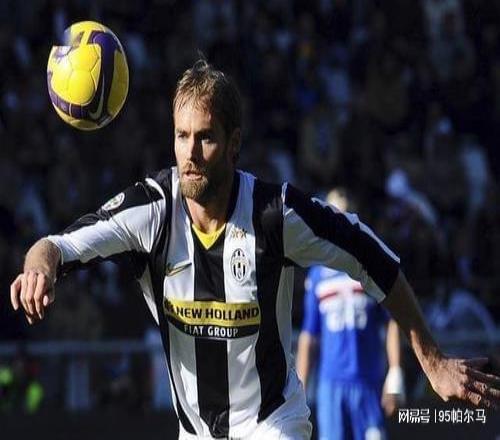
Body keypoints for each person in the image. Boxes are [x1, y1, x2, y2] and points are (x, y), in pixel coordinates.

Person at [10, 60, 500, 439]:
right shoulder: (152, 213)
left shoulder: (275, 214)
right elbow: (54, 246)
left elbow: (371, 255)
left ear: (234, 142)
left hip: (273, 424)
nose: (190, 153)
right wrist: (40, 270)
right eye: (182, 136)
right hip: (195, 432)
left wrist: (432, 360)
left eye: (206, 138)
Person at [296, 189, 405, 440]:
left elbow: (391, 321)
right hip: (331, 385)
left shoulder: (370, 265)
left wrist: (395, 372)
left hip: (368, 381)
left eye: (345, 215)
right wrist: (300, 388)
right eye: (334, 214)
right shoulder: (318, 274)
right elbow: (309, 336)